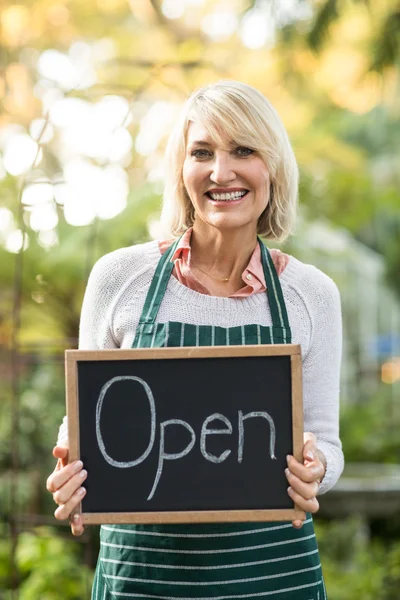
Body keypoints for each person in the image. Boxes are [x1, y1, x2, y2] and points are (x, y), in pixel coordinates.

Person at [46, 80, 343, 599]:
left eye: (243, 150)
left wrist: (316, 470)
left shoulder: (311, 295)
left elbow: (328, 443)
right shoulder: (120, 279)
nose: (220, 172)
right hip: (143, 580)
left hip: (272, 579)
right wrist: (72, 466)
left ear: (271, 166)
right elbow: (83, 420)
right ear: (181, 172)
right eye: (201, 152)